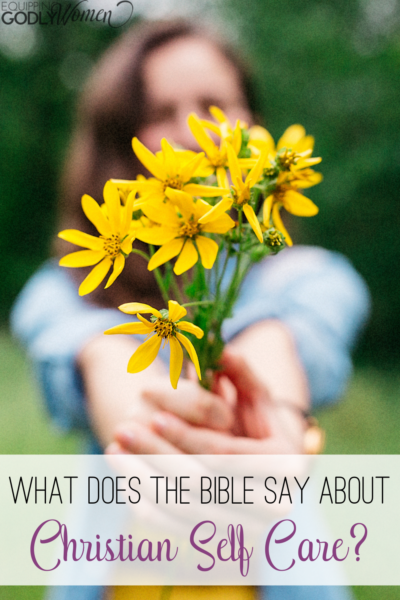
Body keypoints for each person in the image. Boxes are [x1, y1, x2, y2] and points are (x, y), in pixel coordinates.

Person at [11, 18, 369, 600]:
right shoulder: (68, 289)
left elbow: (301, 320)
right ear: (119, 139)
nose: (193, 130)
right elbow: (73, 338)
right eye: (160, 111)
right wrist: (121, 388)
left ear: (253, 127)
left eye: (213, 103)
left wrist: (274, 404)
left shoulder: (298, 273)